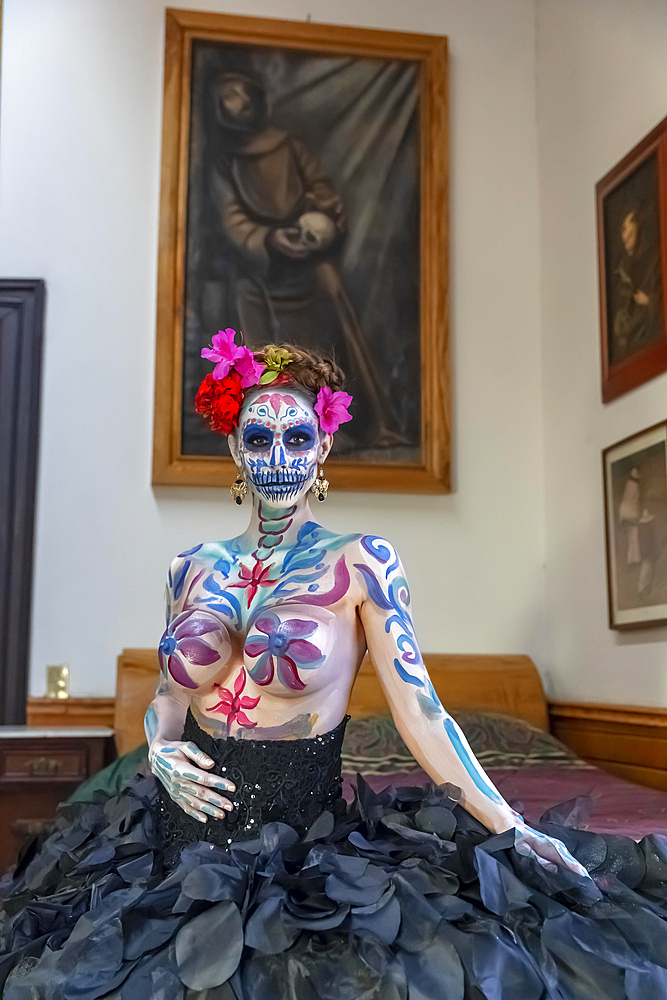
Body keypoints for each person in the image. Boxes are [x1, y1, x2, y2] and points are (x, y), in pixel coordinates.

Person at [2, 336, 667, 999]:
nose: (278, 458)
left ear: (322, 446)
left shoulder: (361, 561)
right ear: (235, 449)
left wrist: (510, 826)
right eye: (258, 440)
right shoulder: (189, 568)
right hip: (176, 840)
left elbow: (421, 711)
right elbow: (167, 701)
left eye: (297, 438)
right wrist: (160, 748)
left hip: (297, 848)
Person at [204, 68, 405, 449]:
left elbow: (320, 187)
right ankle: (267, 422)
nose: (241, 102)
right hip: (259, 263)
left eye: (245, 94)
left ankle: (362, 420)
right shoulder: (222, 160)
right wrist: (268, 239)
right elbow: (231, 218)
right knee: (246, 299)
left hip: (305, 256)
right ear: (219, 107)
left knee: (331, 284)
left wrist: (316, 217)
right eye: (230, 96)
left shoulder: (288, 145)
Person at [610, 209, 663, 365]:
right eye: (623, 231)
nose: (625, 237)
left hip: (649, 333)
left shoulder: (654, 260)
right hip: (631, 337)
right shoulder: (622, 265)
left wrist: (649, 301)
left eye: (630, 233)